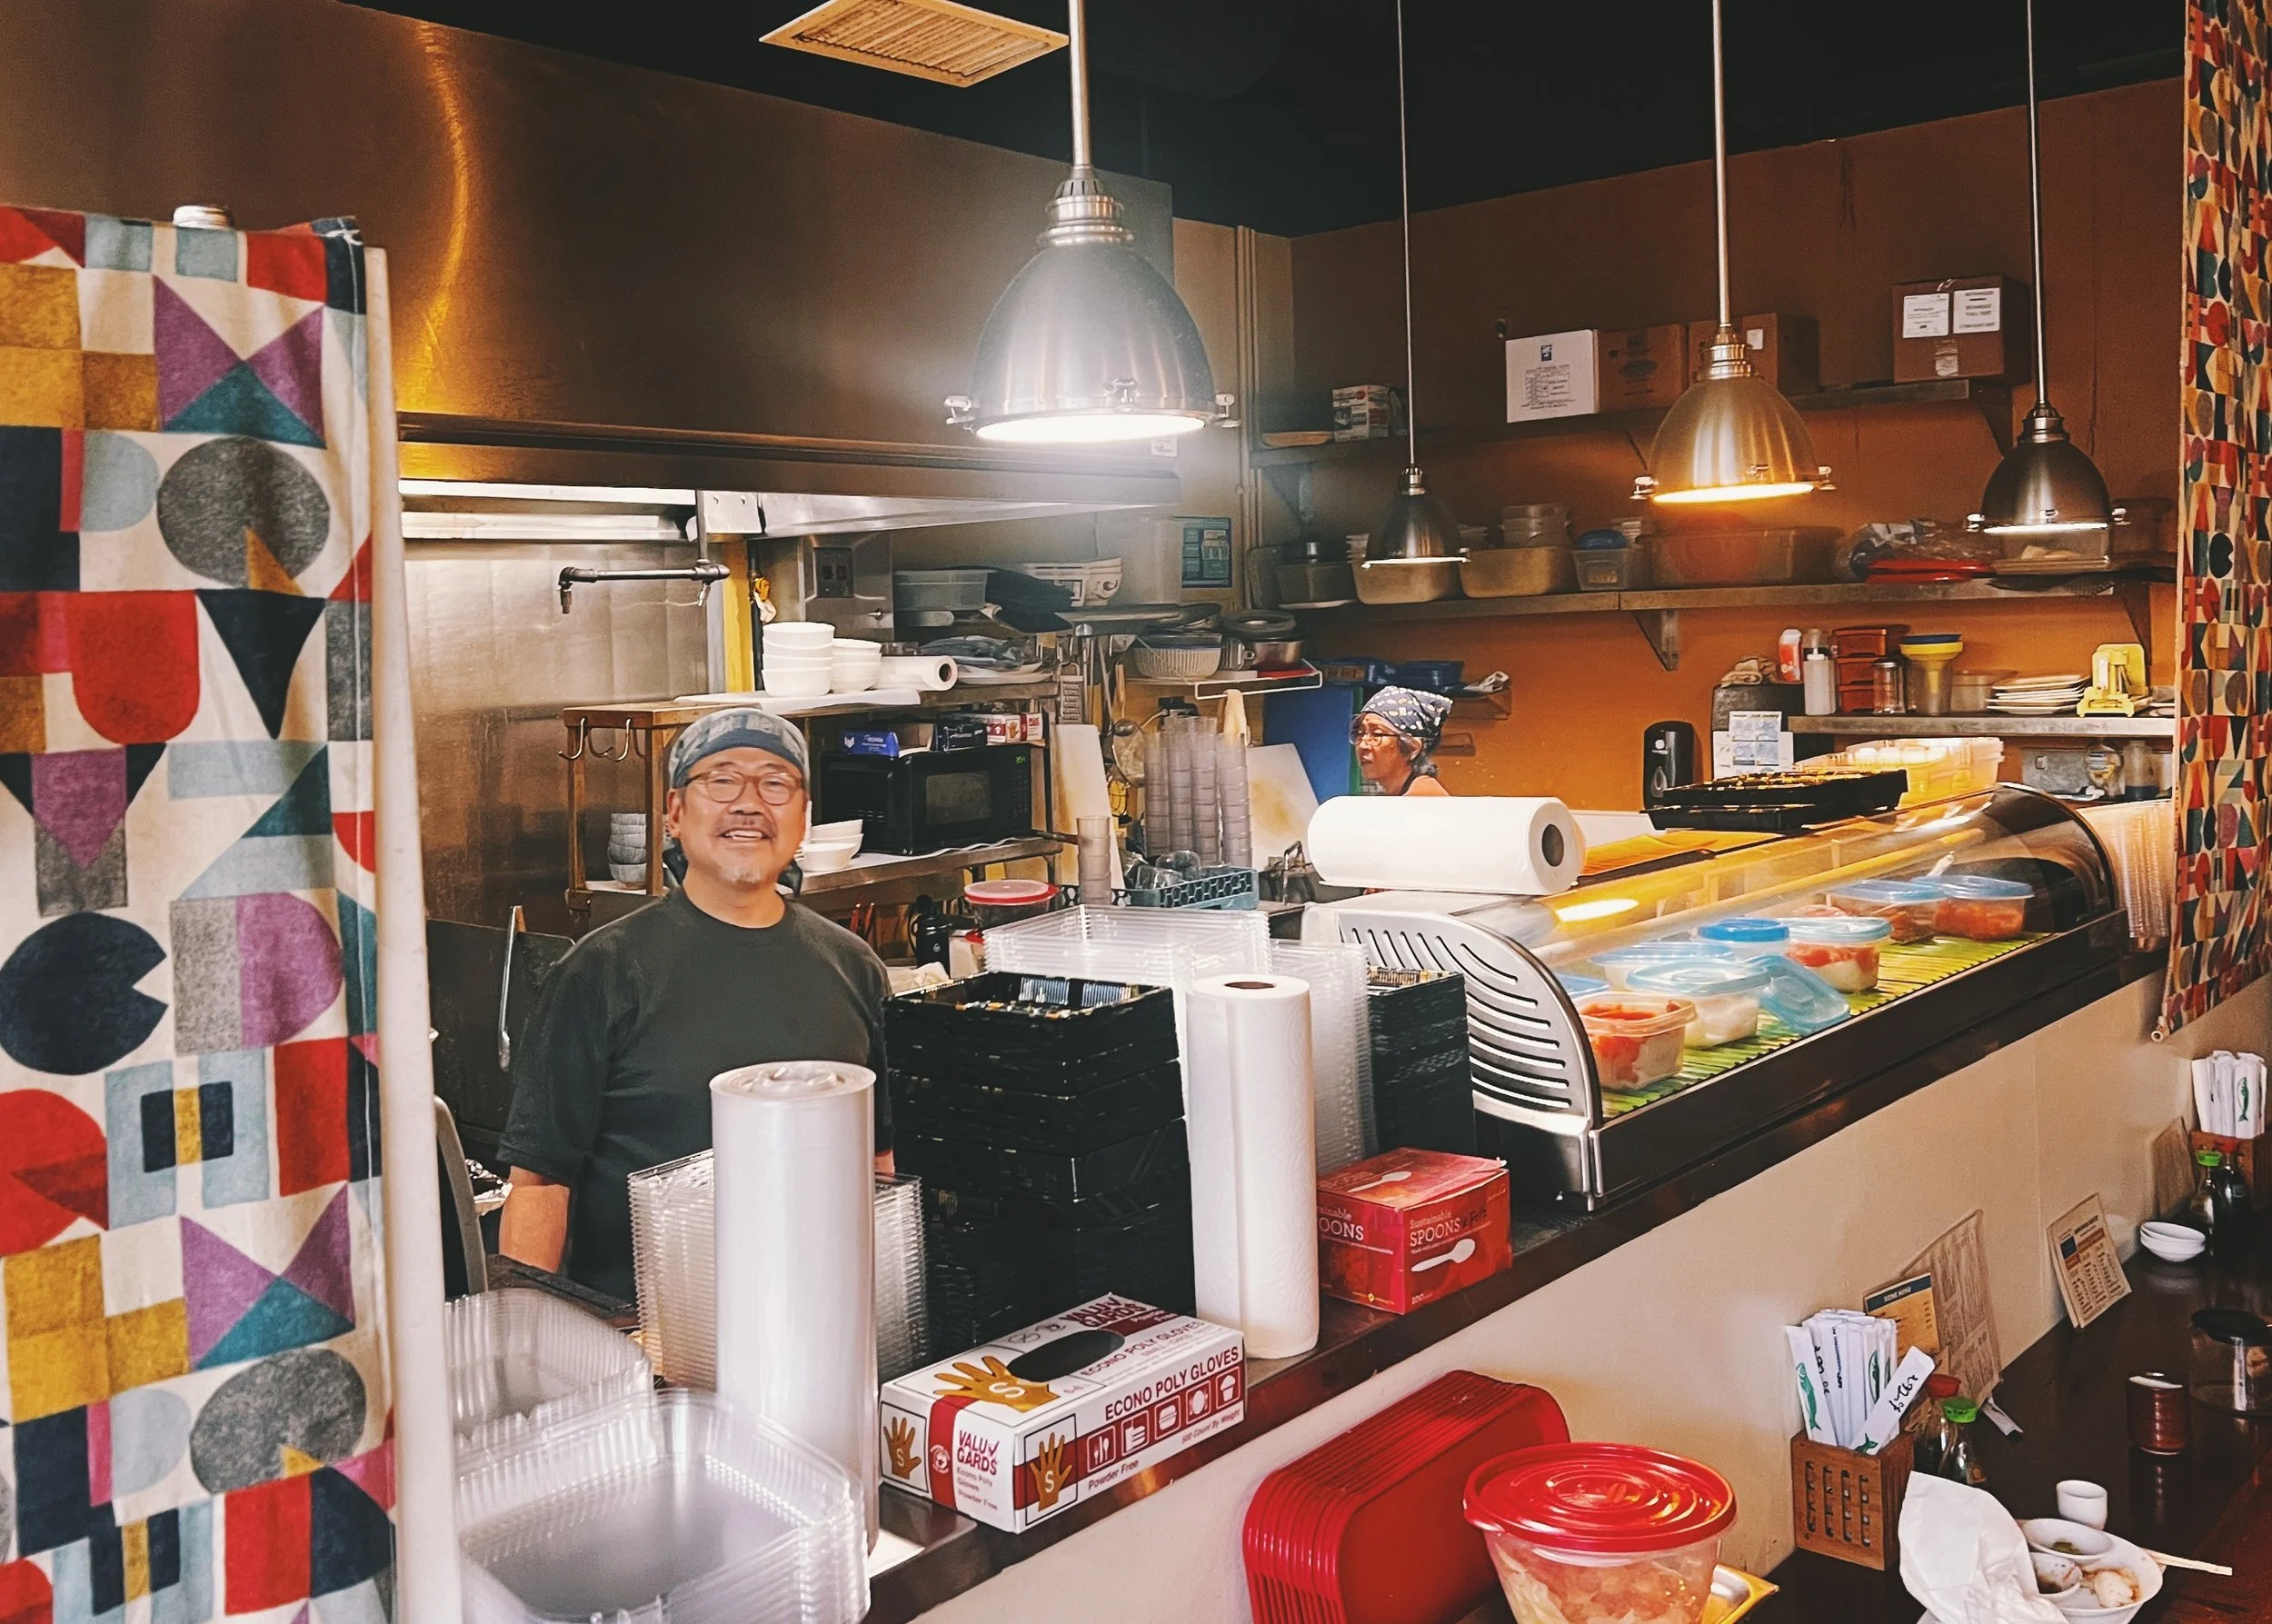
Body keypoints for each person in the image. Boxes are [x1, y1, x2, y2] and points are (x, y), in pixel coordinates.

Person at [495, 708, 891, 1300]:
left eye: (776, 782)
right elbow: (539, 1183)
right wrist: (528, 1337)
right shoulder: (599, 972)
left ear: (804, 818)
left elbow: (879, 1159)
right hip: (639, 1337)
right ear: (675, 814)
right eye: (722, 779)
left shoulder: (854, 967)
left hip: (817, 1316)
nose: (749, 802)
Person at [1350, 686, 1454, 797]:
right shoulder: (1403, 795)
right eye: (1360, 733)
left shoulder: (1422, 797)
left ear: (1413, 749)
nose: (1362, 745)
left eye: (1377, 734)